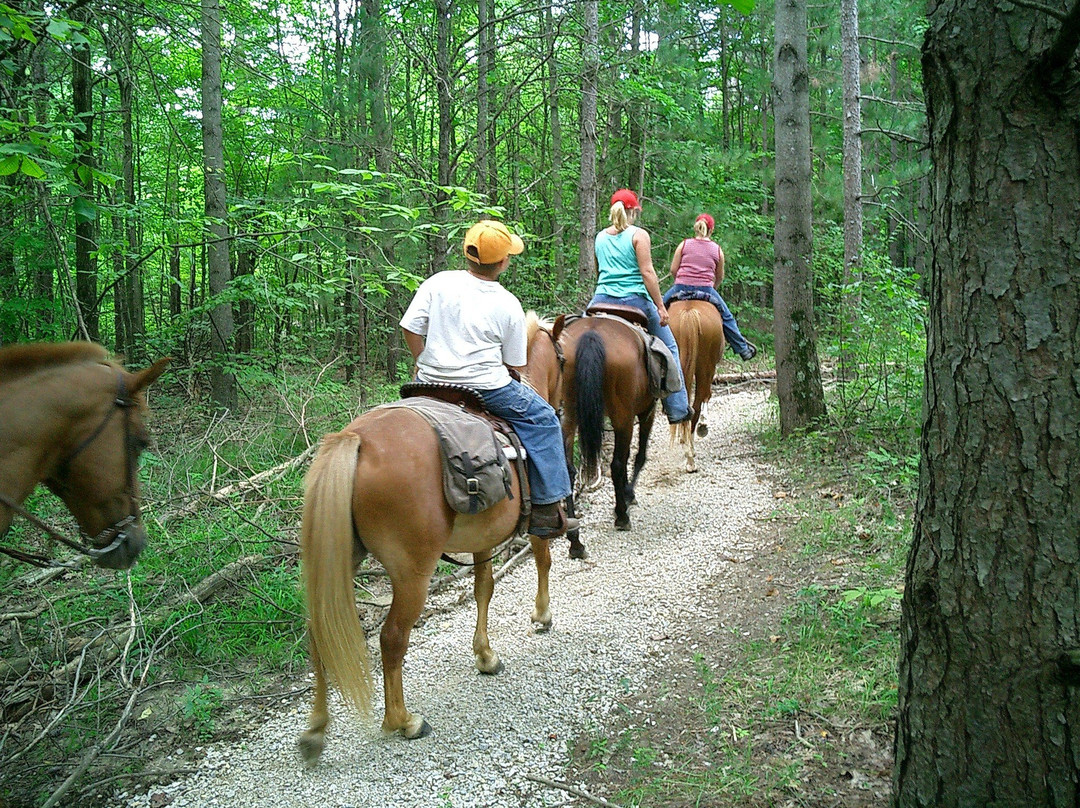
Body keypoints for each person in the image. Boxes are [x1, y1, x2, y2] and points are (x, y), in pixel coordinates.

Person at [400, 220, 578, 539]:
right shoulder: (507, 303)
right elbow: (514, 363)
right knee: (546, 420)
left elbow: (410, 328)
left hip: (429, 384)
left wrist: (421, 361)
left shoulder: (437, 282)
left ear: (468, 254)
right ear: (504, 261)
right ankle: (547, 509)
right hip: (485, 390)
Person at [588, 189, 692, 425]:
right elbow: (647, 273)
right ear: (633, 211)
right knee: (670, 348)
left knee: (568, 339)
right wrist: (660, 307)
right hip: (635, 300)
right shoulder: (639, 235)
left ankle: (564, 402)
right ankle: (677, 408)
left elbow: (599, 271)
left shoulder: (599, 237)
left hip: (601, 299)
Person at [662, 213, 758, 361]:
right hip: (706, 289)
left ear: (696, 228)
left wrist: (681, 282)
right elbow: (719, 276)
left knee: (658, 310)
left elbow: (673, 270)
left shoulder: (684, 244)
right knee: (727, 318)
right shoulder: (717, 250)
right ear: (711, 230)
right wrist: (712, 288)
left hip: (681, 287)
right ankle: (742, 348)